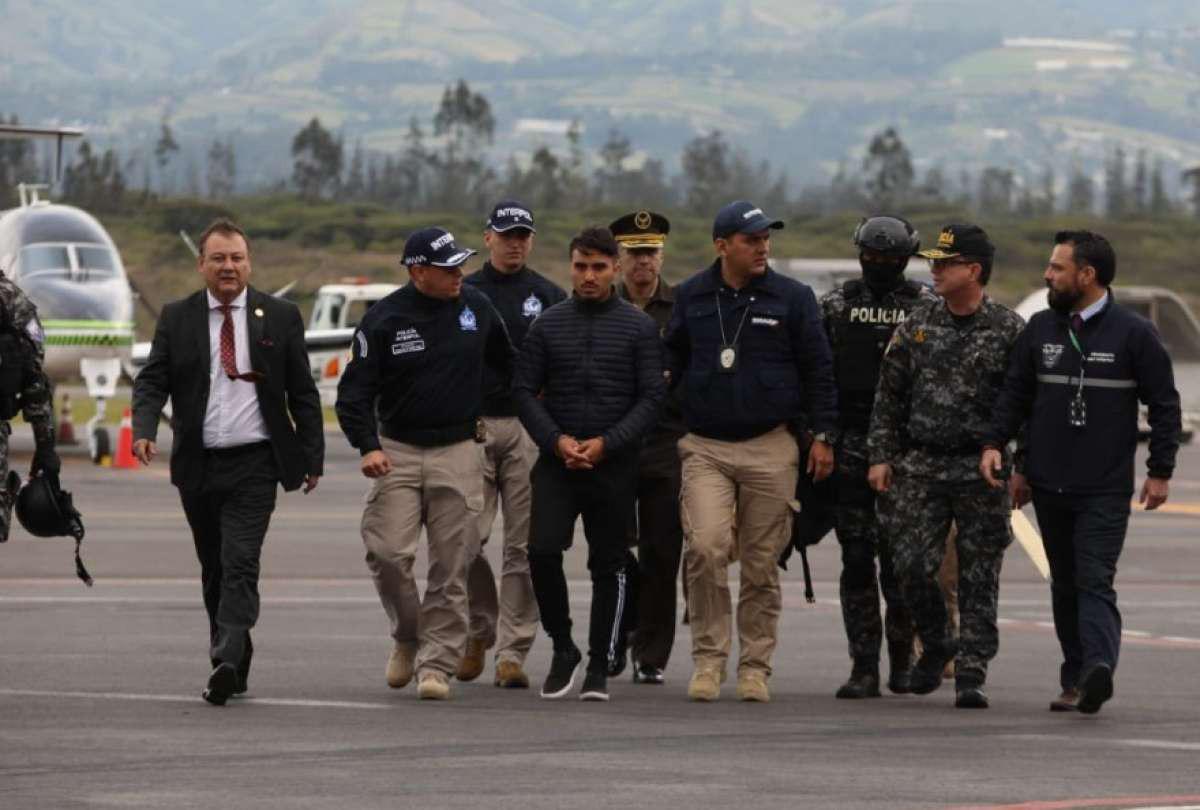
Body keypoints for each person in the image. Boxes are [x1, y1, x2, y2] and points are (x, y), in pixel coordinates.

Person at [980, 230, 1180, 714]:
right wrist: (1000, 451)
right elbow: (1016, 398)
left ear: (1087, 275)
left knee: (1094, 579)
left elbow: (1164, 405)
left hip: (1104, 488)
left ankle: (1097, 668)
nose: (1047, 274)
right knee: (1065, 584)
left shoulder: (1134, 334)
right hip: (1048, 483)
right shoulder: (1040, 329)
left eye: (1057, 267)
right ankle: (1076, 678)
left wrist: (1160, 470)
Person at [131, 218, 324, 706]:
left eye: (237, 258)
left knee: (240, 560)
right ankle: (234, 662)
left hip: (256, 463)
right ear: (201, 265)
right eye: (218, 258)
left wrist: (312, 457)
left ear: (249, 263)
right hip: (197, 464)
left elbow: (303, 392)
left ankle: (225, 653)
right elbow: (151, 380)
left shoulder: (280, 316)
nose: (228, 267)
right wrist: (144, 429)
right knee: (215, 567)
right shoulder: (177, 317)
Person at [664, 200, 837, 703]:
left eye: (766, 238)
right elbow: (669, 359)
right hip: (706, 447)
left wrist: (824, 435)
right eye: (751, 239)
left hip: (770, 446)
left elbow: (818, 369)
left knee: (761, 564)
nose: (763, 247)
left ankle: (755, 666)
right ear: (722, 245)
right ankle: (708, 659)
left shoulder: (794, 298)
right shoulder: (691, 295)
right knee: (705, 548)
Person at [336, 227, 515, 701]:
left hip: (459, 449)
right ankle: (407, 634)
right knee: (388, 553)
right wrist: (367, 446)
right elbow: (353, 393)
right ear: (418, 272)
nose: (459, 274)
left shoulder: (477, 308)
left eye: (461, 264)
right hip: (396, 450)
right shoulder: (383, 319)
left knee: (452, 564)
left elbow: (510, 367)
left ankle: (437, 663)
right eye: (448, 267)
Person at [867, 223, 1024, 710]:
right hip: (922, 463)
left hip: (981, 467)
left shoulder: (1008, 329)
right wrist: (881, 455)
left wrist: (1021, 462)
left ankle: (972, 671)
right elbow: (889, 396)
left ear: (973, 270)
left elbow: (1024, 403)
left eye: (946, 263)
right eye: (933, 262)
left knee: (979, 573)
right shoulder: (917, 324)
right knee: (910, 565)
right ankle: (937, 642)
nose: (934, 270)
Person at [514, 226, 664, 702]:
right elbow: (523, 391)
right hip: (557, 462)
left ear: (615, 268)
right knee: (540, 551)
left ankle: (601, 660)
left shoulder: (639, 328)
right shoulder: (548, 324)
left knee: (610, 563)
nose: (589, 276)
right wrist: (556, 441)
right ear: (571, 267)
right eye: (581, 266)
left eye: (599, 267)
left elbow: (652, 398)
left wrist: (606, 443)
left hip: (613, 464)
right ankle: (564, 647)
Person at [820, 215, 935, 699]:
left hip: (907, 453)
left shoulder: (927, 307)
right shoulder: (836, 306)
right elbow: (819, 376)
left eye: (891, 258)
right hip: (850, 445)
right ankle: (863, 665)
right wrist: (822, 436)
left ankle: (902, 662)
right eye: (872, 256)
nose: (880, 264)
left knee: (901, 564)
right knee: (856, 561)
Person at [460, 201, 566, 688]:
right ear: (488, 238)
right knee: (464, 539)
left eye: (523, 235)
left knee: (522, 547)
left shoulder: (549, 296)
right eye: (506, 235)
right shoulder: (464, 292)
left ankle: (512, 651)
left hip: (529, 429)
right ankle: (478, 627)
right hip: (473, 426)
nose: (515, 243)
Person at [611, 209, 687, 684]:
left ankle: (651, 655)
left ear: (662, 256)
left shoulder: (681, 309)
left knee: (662, 551)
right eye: (634, 253)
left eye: (651, 252)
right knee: (613, 547)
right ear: (618, 258)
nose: (643, 261)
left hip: (665, 442)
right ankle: (620, 629)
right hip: (613, 443)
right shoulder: (601, 305)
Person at [0, 267, 60, 543]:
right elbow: (33, 378)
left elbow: (31, 375)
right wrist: (45, 445)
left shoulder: (9, 300)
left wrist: (46, 447)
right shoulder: (11, 299)